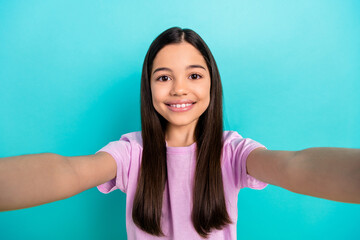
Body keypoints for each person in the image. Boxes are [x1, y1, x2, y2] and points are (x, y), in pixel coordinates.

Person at [0, 26, 359, 240]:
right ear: (149, 88)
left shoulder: (232, 152)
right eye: (163, 77)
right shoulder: (131, 153)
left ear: (211, 85)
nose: (179, 89)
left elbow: (296, 166)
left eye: (194, 75)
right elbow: (69, 171)